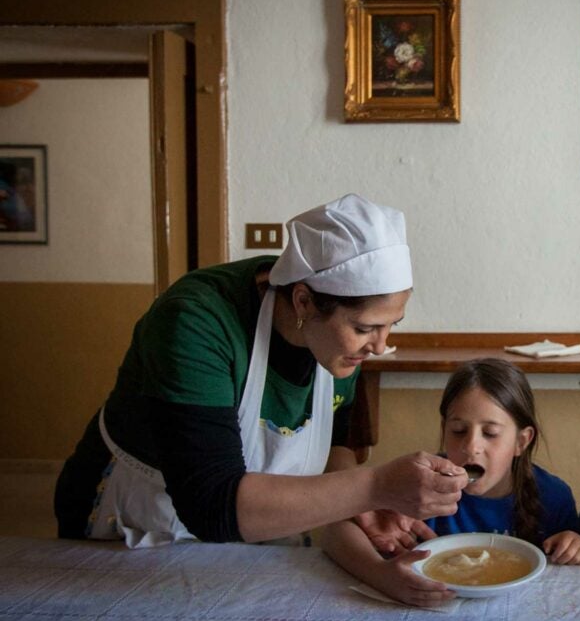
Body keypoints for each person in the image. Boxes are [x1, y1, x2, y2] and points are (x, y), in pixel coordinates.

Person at [54, 194, 469, 549]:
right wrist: (376, 486)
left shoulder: (338, 342)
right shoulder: (196, 322)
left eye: (390, 326)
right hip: (139, 516)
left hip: (251, 522)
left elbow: (336, 440)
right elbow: (211, 505)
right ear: (304, 302)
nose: (379, 346)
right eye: (365, 329)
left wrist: (365, 505)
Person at [327, 358, 580, 607]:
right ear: (444, 430)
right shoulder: (416, 486)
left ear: (521, 441)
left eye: (490, 433)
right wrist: (379, 572)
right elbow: (334, 533)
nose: (471, 447)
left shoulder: (554, 496)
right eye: (458, 431)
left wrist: (577, 546)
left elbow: (571, 566)